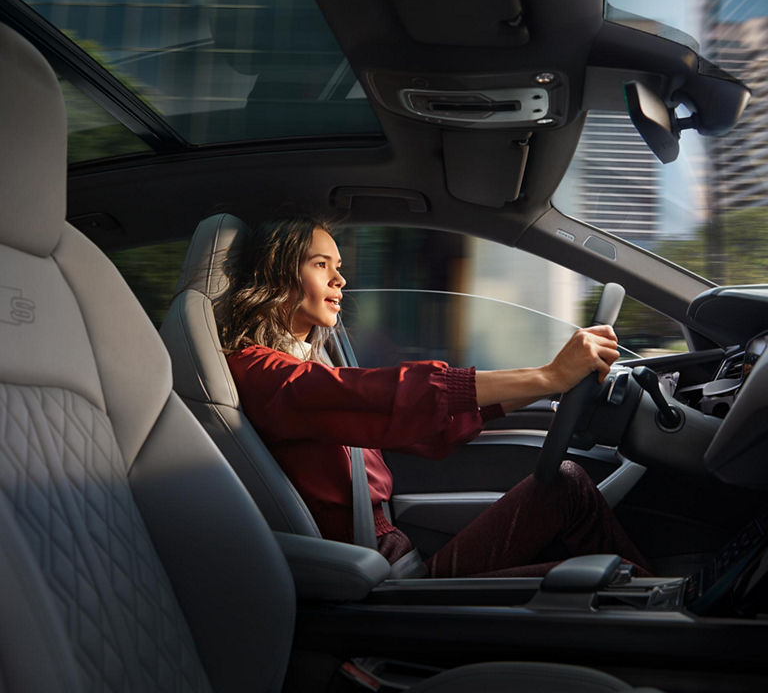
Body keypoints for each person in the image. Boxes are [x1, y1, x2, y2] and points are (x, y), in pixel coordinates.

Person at [220, 216, 650, 577]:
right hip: (381, 581)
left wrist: (545, 384)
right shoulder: (263, 373)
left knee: (588, 557)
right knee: (568, 492)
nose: (340, 278)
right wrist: (548, 376)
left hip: (397, 559)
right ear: (278, 275)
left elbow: (421, 428)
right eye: (320, 264)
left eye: (339, 265)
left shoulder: (306, 364)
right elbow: (385, 395)